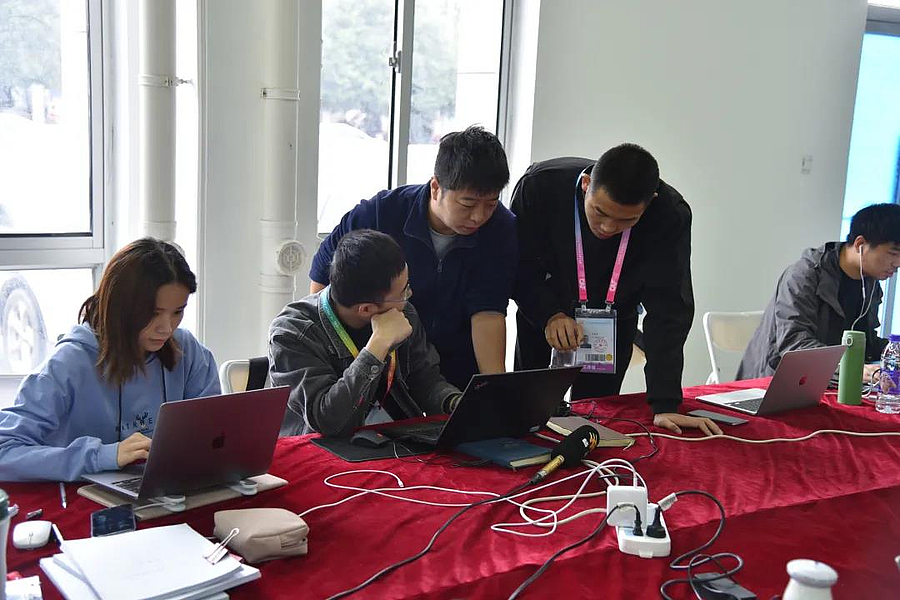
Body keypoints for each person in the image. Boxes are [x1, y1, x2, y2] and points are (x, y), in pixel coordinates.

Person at [511, 145, 721, 436]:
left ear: (649, 203)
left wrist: (665, 403)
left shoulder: (669, 214)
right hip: (543, 306)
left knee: (597, 417)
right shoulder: (540, 186)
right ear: (586, 185)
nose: (608, 227)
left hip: (612, 322)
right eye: (600, 212)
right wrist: (549, 314)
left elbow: (670, 309)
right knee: (526, 413)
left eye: (627, 220)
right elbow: (517, 266)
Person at [308, 125, 516, 390]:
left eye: (491, 204)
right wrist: (330, 360)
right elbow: (324, 284)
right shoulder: (380, 214)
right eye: (467, 204)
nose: (479, 217)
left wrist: (497, 390)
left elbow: (488, 312)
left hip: (456, 364)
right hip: (380, 359)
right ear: (436, 187)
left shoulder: (500, 228)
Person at [0, 238, 220, 482]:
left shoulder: (187, 350)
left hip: (169, 490)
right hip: (85, 496)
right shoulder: (68, 363)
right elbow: (5, 451)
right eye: (153, 313)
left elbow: (215, 435)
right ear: (120, 306)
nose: (167, 328)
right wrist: (102, 456)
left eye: (178, 311)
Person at [270, 229, 461, 437]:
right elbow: (328, 423)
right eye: (403, 292)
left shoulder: (403, 312)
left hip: (393, 440)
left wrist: (452, 402)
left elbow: (425, 379)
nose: (409, 295)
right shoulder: (292, 332)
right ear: (366, 309)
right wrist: (377, 347)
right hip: (324, 447)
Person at [738, 203, 900, 380]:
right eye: (893, 253)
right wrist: (851, 368)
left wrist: (894, 352)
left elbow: (866, 343)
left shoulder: (869, 280)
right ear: (860, 244)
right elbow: (795, 345)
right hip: (778, 381)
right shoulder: (804, 275)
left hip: (828, 380)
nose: (897, 263)